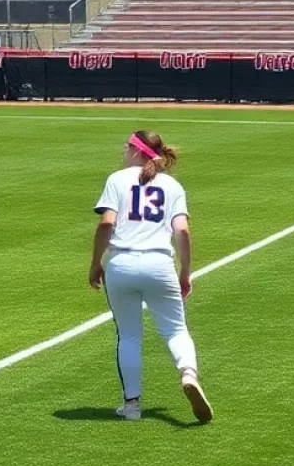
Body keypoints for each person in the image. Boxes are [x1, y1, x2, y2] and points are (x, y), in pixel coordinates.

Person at [89, 131, 212, 424]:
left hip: (122, 265)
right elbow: (182, 231)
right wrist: (185, 273)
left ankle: (132, 406)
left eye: (126, 147)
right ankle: (188, 374)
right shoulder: (172, 185)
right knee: (176, 330)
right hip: (160, 265)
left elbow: (107, 223)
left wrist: (95, 262)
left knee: (129, 335)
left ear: (136, 150)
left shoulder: (116, 180)